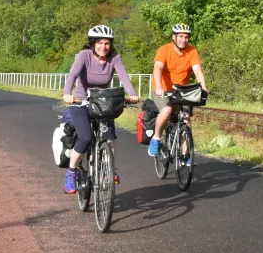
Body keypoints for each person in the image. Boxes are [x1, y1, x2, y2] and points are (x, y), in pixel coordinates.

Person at [62, 24, 139, 194]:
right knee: (85, 137)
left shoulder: (114, 58)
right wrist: (67, 93)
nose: (103, 47)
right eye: (100, 43)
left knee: (110, 135)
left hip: (102, 103)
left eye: (107, 43)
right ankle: (71, 172)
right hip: (80, 102)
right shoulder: (84, 55)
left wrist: (132, 93)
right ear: (93, 43)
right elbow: (73, 75)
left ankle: (108, 168)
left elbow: (124, 76)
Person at [147, 23, 208, 158]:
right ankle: (156, 138)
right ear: (173, 37)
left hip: (181, 91)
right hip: (162, 89)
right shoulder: (164, 50)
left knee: (185, 119)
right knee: (167, 111)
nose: (183, 40)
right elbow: (157, 68)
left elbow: (198, 71)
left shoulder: (192, 51)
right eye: (180, 36)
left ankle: (186, 154)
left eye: (186, 37)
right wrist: (158, 87)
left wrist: (203, 87)